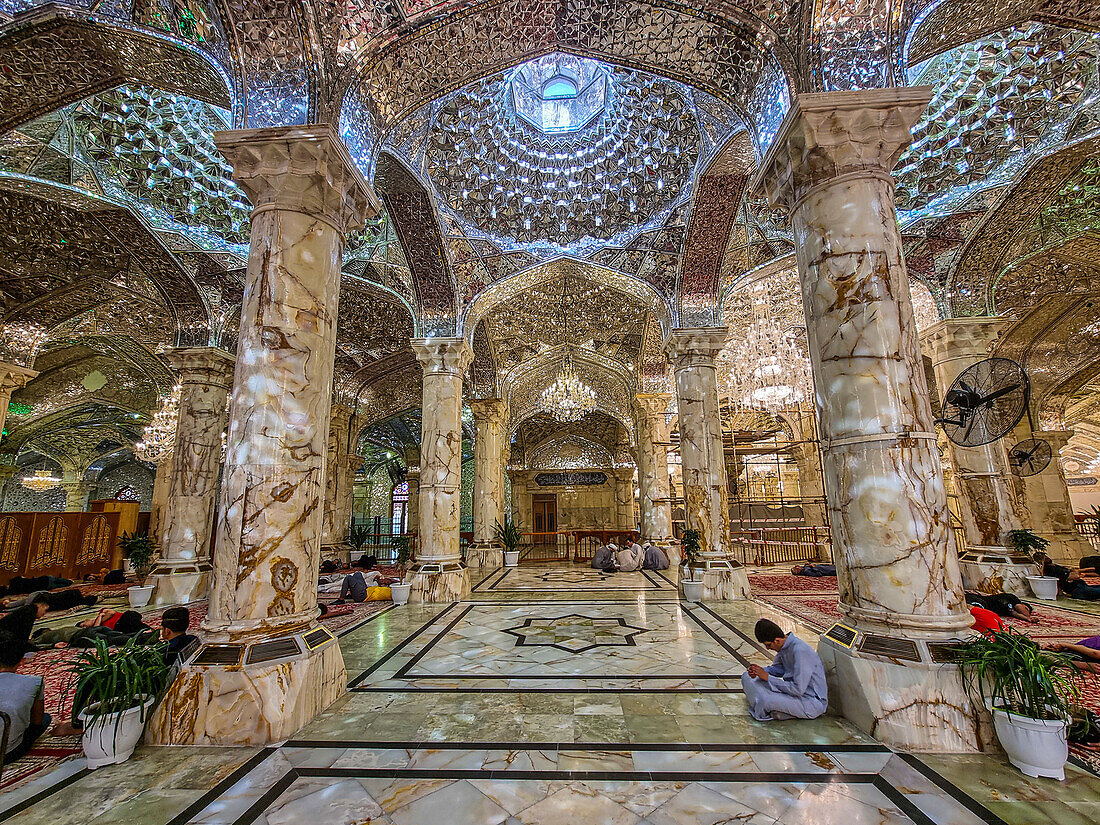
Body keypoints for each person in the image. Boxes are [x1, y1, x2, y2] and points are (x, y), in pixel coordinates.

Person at [741, 619, 827, 721]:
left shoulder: (800, 651)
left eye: (768, 645)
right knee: (746, 676)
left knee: (765, 700)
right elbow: (778, 669)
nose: (768, 648)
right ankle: (780, 710)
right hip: (792, 694)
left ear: (777, 640)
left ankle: (779, 709)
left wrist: (767, 677)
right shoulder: (784, 646)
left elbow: (798, 690)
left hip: (810, 701)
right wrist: (758, 671)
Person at [0, 632, 49, 761]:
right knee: (46, 718)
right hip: (8, 752)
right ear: (21, 660)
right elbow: (37, 721)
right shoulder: (35, 682)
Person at [964, 591, 1038, 623]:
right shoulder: (1013, 599)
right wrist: (1027, 614)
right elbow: (1019, 607)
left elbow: (1015, 614)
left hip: (984, 607)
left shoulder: (1009, 610)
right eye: (1026, 609)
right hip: (977, 600)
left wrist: (1028, 619)